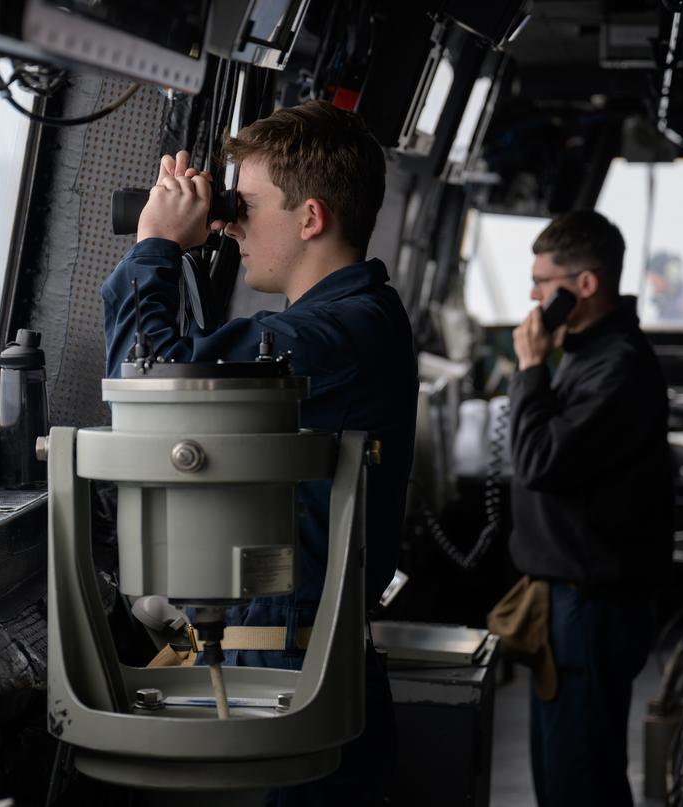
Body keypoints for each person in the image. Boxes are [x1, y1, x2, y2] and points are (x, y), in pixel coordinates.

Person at [101, 100, 418, 804]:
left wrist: (155, 247)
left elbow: (142, 388)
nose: (234, 221)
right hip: (297, 672)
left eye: (246, 203)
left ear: (309, 219)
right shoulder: (346, 324)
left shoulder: (337, 335)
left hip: (293, 689)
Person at [508, 210, 673, 807]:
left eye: (542, 282)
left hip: (590, 605)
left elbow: (538, 462)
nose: (531, 295)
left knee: (581, 783)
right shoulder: (587, 352)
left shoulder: (617, 367)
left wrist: (530, 368)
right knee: (562, 776)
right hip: (569, 599)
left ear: (584, 285)